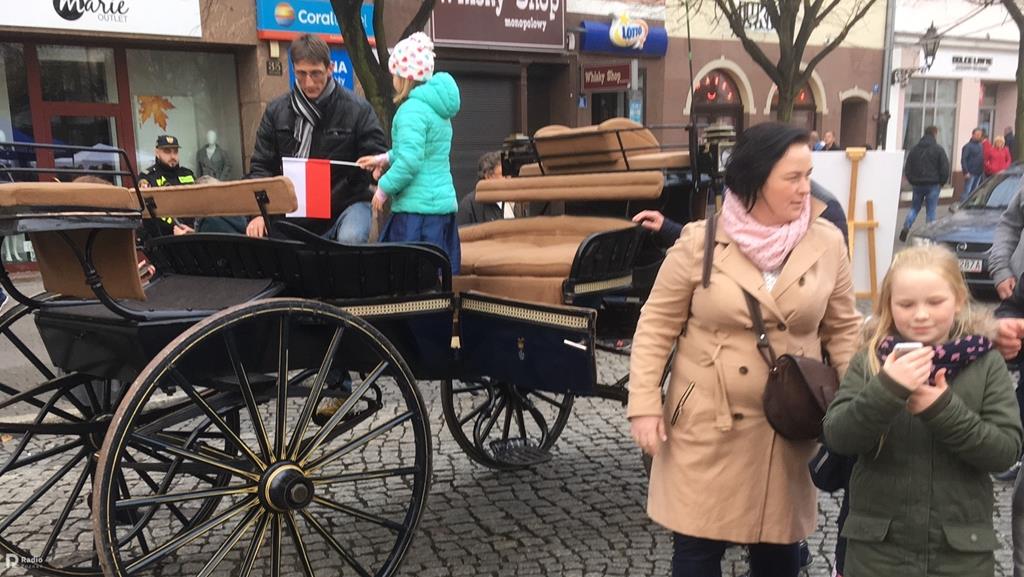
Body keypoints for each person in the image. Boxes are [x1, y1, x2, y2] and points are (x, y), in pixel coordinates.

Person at [628, 122, 862, 577]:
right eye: (792, 178)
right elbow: (656, 325)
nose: (806, 189)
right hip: (708, 425)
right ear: (756, 178)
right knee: (697, 552)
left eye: (807, 175)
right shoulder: (700, 241)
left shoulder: (827, 241)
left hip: (789, 424)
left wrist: (854, 406)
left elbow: (844, 331)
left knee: (778, 554)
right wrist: (642, 404)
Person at [824, 245, 1022, 577]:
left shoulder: (986, 363)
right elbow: (838, 436)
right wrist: (886, 388)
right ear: (889, 304)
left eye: (935, 302)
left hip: (960, 554)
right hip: (877, 552)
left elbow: (1004, 452)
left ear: (958, 300)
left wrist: (942, 409)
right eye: (906, 304)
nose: (920, 314)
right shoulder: (871, 359)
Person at [247, 33, 387, 242]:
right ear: (293, 69)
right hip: (290, 208)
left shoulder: (358, 110)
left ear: (330, 68)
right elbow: (261, 166)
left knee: (351, 237)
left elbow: (376, 160)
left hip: (345, 205)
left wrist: (358, 178)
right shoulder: (276, 111)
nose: (309, 82)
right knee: (258, 234)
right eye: (301, 74)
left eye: (316, 73)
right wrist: (258, 213)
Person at [357, 33, 461, 271]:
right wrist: (384, 158)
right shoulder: (436, 110)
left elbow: (411, 161)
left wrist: (383, 189)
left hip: (416, 213)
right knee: (436, 277)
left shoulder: (410, 111)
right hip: (441, 209)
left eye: (394, 73)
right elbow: (424, 153)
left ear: (404, 77)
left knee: (409, 279)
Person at [633, 180, 850, 249]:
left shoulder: (828, 212)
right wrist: (667, 227)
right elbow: (718, 239)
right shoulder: (745, 201)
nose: (803, 188)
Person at [137, 135, 196, 236]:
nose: (173, 156)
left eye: (175, 152)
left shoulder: (187, 174)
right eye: (167, 152)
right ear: (157, 152)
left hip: (191, 233)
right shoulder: (148, 177)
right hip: (162, 238)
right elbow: (147, 212)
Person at [899, 126, 950, 242]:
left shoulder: (915, 149)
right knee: (931, 210)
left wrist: (912, 180)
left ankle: (906, 227)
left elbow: (907, 167)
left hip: (917, 184)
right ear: (935, 134)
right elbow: (944, 168)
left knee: (914, 208)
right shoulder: (938, 149)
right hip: (933, 184)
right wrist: (942, 182)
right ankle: (929, 234)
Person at [457, 151, 522, 225]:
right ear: (488, 176)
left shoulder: (516, 201)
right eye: (504, 175)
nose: (509, 179)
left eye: (510, 175)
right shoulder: (469, 205)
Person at [961, 128, 985, 196]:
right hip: (970, 173)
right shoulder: (967, 146)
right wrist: (965, 172)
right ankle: (963, 205)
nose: (978, 136)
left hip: (979, 172)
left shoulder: (980, 145)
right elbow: (963, 159)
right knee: (967, 191)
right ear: (972, 135)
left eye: (980, 135)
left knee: (974, 193)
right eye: (977, 134)